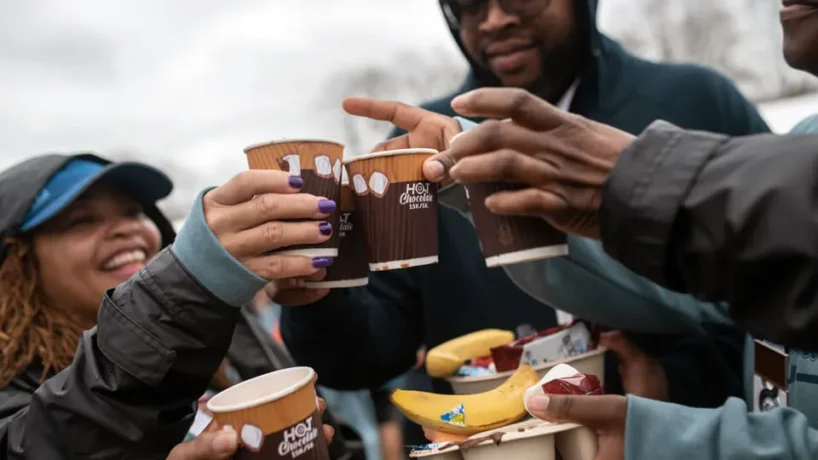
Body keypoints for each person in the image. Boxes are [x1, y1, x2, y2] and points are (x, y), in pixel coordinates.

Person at [340, 3, 818, 457]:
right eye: (468, 3)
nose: (495, 19)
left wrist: (670, 396)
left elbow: (741, 319)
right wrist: (319, 286)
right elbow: (370, 347)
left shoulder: (698, 99)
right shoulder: (421, 153)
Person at [0, 153, 342, 458]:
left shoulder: (219, 328)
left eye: (134, 211)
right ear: (18, 263)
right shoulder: (9, 380)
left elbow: (342, 446)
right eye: (81, 221)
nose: (125, 228)